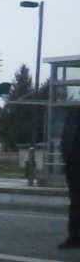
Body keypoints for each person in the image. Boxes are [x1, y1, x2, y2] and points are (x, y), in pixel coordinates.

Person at [59, 107, 80, 249]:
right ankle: (74, 237)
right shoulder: (73, 114)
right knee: (75, 203)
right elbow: (65, 138)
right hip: (73, 166)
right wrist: (66, 158)